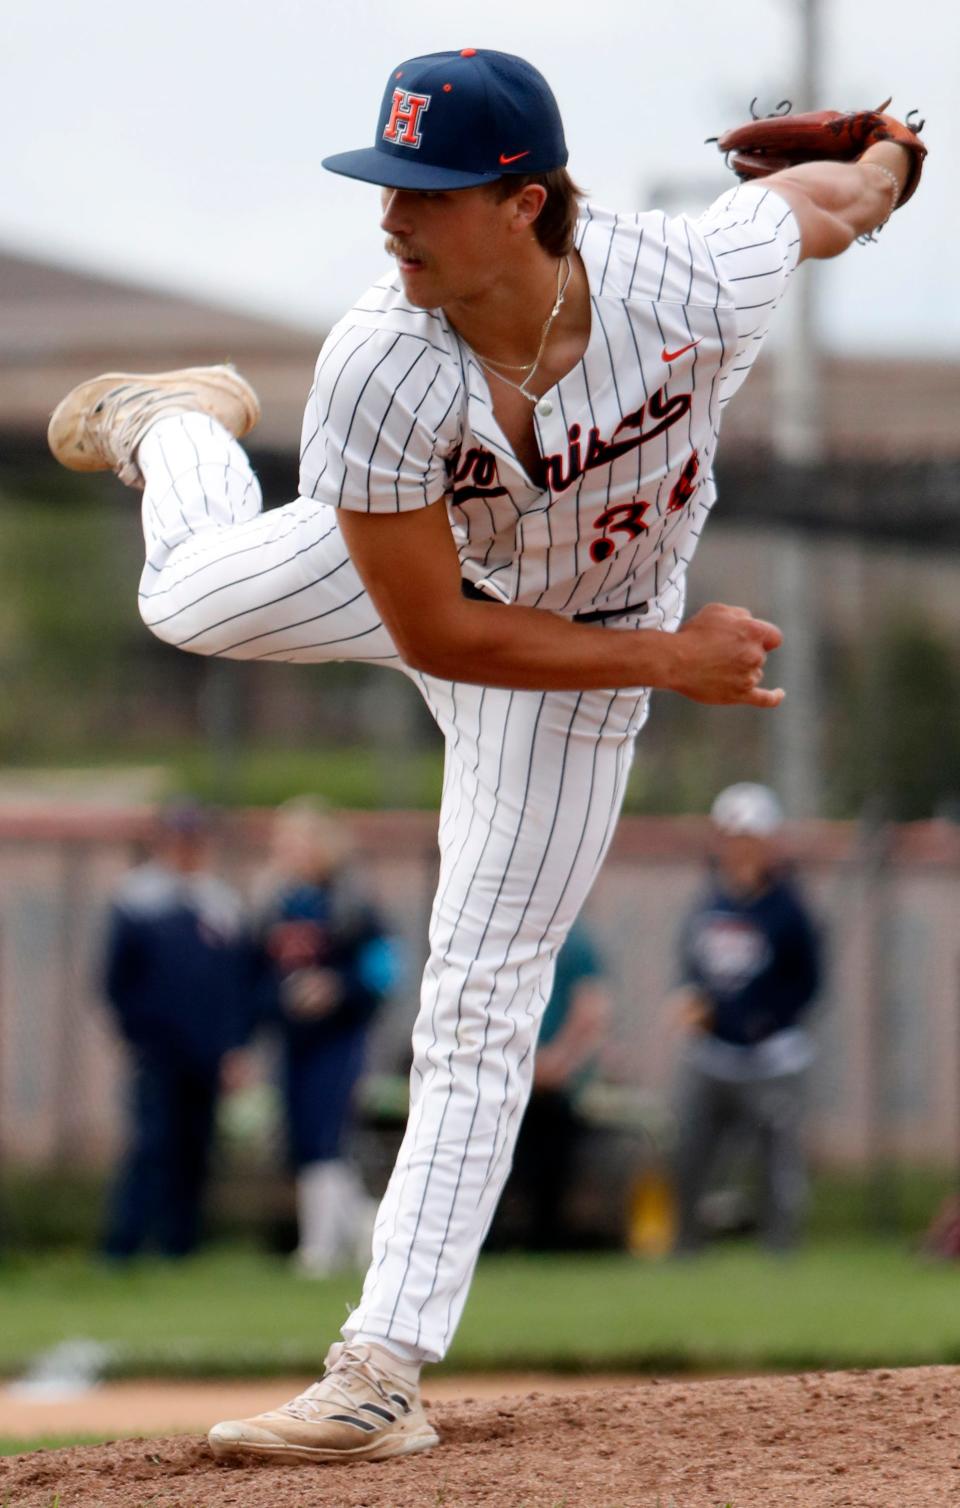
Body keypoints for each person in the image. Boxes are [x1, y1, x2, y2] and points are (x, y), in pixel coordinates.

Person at [46, 47, 918, 1462]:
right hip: (449, 585)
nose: (390, 220)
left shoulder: (686, 283)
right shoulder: (381, 360)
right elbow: (442, 632)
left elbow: (804, 209)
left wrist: (887, 165)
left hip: (580, 658)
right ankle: (184, 428)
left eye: (426, 194)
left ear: (523, 202)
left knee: (482, 990)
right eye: (384, 187)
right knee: (178, 599)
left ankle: (378, 1370)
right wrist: (670, 661)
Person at [670, 783, 821, 1254]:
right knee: (691, 1152)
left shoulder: (789, 908)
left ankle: (780, 1252)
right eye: (731, 835)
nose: (738, 845)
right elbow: (695, 964)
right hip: (714, 1052)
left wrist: (766, 1019)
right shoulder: (712, 899)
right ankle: (685, 1248)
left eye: (748, 835)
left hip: (772, 1056)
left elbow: (809, 980)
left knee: (777, 1163)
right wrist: (694, 1003)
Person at [100, 802, 253, 1260]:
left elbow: (238, 985)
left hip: (207, 1051)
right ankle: (123, 1246)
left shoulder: (221, 904)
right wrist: (136, 1034)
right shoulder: (136, 900)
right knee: (151, 1146)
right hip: (158, 1048)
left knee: (195, 1149)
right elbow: (116, 981)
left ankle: (179, 1247)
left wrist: (234, 1045)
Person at [254, 797, 399, 1275]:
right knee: (300, 1138)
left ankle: (319, 1248)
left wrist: (336, 989)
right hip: (295, 1040)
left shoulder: (352, 904)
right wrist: (281, 998)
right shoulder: (272, 906)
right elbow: (251, 974)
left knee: (326, 1133)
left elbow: (384, 973)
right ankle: (370, 1228)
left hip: (340, 1038)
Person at [500, 919, 611, 1250]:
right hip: (516, 1072)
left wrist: (557, 1062)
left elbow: (591, 1010)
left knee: (548, 1176)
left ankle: (542, 1240)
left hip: (553, 1082)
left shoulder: (574, 942)